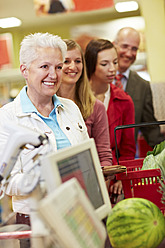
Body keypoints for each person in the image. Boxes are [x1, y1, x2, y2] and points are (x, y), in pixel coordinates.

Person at [0, 32, 89, 239]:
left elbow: (85, 158)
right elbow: (6, 182)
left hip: (79, 210)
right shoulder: (6, 118)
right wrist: (46, 178)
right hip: (36, 220)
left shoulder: (71, 108)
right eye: (44, 67)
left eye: (58, 67)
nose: (54, 74)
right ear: (24, 70)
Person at [57, 39, 113, 168]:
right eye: (66, 61)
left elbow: (104, 155)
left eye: (78, 61)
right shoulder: (46, 106)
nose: (73, 67)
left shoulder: (96, 107)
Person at [85, 38, 136, 165]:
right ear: (91, 65)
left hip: (113, 171)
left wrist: (120, 176)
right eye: (104, 64)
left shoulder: (124, 101)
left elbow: (128, 149)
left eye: (115, 62)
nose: (112, 69)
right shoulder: (74, 99)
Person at [114, 27, 164, 147]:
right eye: (124, 46)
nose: (129, 53)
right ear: (114, 45)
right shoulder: (96, 78)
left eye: (134, 49)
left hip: (127, 157)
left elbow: (151, 129)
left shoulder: (143, 86)